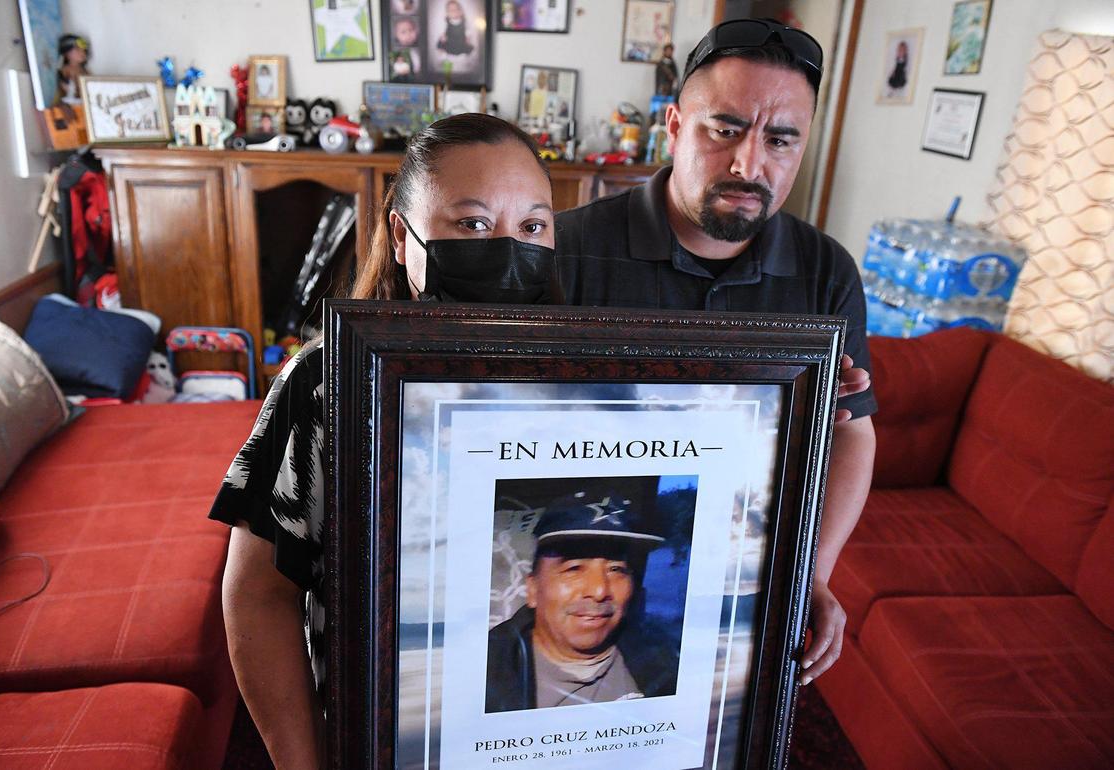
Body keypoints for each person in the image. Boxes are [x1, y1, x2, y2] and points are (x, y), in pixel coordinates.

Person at [212, 113, 558, 769]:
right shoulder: (325, 384)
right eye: (474, 224)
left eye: (533, 225)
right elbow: (257, 593)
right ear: (402, 237)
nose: (508, 248)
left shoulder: (593, 386)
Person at [555, 18, 876, 687]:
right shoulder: (566, 251)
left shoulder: (826, 274)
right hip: (591, 550)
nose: (748, 163)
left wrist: (811, 573)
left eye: (780, 139)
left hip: (740, 574)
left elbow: (854, 435)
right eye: (724, 128)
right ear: (673, 126)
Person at [486, 494, 675, 713]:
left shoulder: (669, 660)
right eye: (574, 568)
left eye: (616, 569)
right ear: (533, 589)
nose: (599, 590)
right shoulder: (483, 674)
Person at [55, 34, 90, 105]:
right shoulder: (63, 71)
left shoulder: (86, 72)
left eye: (83, 49)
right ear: (66, 53)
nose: (82, 52)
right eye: (77, 49)